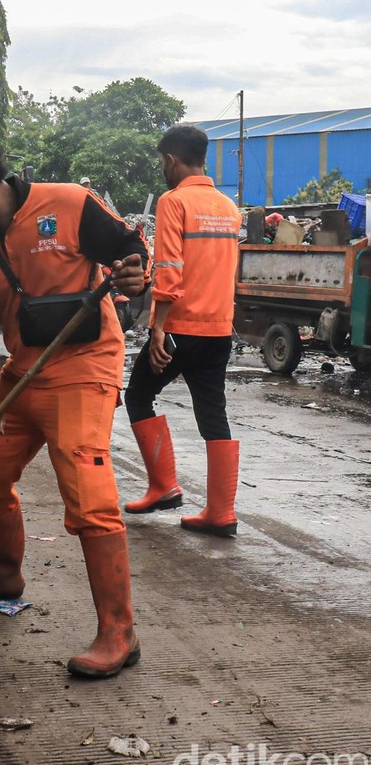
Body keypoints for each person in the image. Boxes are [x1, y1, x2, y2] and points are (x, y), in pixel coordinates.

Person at [0, 135, 150, 678]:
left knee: (87, 488)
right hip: (22, 373)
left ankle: (120, 632)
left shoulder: (68, 203)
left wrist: (136, 273)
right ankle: (1, 574)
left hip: (84, 365)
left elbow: (127, 249)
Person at [123, 124, 242, 536]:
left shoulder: (174, 202)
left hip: (180, 328)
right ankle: (221, 512)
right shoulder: (228, 206)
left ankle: (163, 487)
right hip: (219, 330)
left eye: (162, 162)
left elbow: (170, 271)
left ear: (171, 160)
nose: (163, 168)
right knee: (213, 413)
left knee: (138, 395)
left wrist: (157, 329)